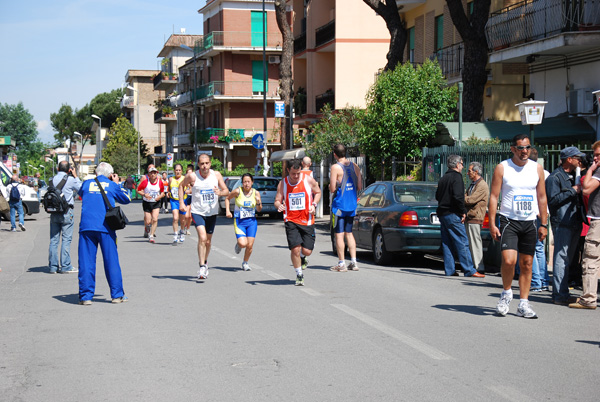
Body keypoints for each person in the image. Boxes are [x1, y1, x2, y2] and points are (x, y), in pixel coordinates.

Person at [489, 134, 548, 319]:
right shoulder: (503, 167)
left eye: (528, 147)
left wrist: (544, 224)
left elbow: (542, 197)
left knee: (527, 263)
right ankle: (506, 293)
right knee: (509, 261)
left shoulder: (536, 168)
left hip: (530, 221)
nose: (525, 151)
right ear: (513, 149)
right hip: (509, 220)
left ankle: (523, 303)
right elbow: (493, 197)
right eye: (521, 148)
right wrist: (492, 223)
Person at [77, 162, 131, 305]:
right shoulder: (112, 185)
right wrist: (117, 183)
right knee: (111, 260)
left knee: (86, 261)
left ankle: (86, 297)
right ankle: (116, 295)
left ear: (96, 173)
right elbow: (127, 199)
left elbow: (81, 194)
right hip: (106, 227)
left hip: (87, 227)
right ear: (110, 174)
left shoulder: (86, 184)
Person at [545, 146, 585, 305]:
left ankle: (563, 292)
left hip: (574, 221)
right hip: (562, 222)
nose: (580, 161)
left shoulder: (574, 174)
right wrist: (573, 191)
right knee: (561, 258)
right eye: (577, 158)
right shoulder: (555, 177)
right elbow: (553, 201)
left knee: (567, 259)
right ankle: (559, 295)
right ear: (569, 159)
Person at [179, 154, 229, 280]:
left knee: (208, 241)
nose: (204, 166)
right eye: (202, 163)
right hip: (197, 211)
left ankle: (205, 262)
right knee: (202, 237)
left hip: (211, 212)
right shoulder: (192, 176)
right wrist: (181, 203)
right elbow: (181, 186)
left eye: (206, 163)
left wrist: (220, 193)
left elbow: (226, 191)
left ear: (210, 163)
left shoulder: (216, 175)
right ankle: (201, 266)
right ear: (198, 164)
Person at [435, 155, 485, 278]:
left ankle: (450, 269)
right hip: (453, 213)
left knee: (447, 243)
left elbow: (437, 196)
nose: (463, 166)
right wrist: (463, 211)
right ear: (457, 165)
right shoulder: (456, 177)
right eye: (462, 164)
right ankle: (469, 270)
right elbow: (458, 197)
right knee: (462, 241)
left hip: (443, 214)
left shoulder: (443, 178)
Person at [275, 158, 322, 286]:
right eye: (293, 174)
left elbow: (318, 192)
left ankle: (303, 257)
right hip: (290, 220)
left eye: (298, 173)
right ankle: (299, 274)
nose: (296, 176)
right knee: (295, 249)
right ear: (288, 170)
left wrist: (314, 204)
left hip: (307, 220)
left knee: (307, 251)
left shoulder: (308, 180)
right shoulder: (283, 184)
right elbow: (277, 200)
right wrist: (279, 205)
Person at [569, 140, 600, 309]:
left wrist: (590, 170)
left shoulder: (598, 170)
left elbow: (586, 188)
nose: (595, 159)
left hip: (598, 220)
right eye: (594, 155)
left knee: (590, 259)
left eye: (598, 155)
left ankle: (588, 298)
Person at [329, 143, 362, 272]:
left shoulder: (335, 167)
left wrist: (337, 184)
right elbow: (359, 186)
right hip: (352, 205)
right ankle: (354, 262)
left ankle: (342, 263)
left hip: (339, 206)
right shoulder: (355, 166)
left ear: (335, 154)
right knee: (349, 233)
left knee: (339, 234)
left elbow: (332, 188)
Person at [48, 161, 82, 274]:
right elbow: (81, 189)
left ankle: (53, 267)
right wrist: (75, 175)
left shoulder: (51, 180)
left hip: (54, 212)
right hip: (67, 212)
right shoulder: (71, 180)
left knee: (54, 240)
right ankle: (65, 266)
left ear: (58, 168)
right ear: (69, 170)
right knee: (66, 240)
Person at [225, 173, 262, 271]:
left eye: (248, 182)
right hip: (239, 222)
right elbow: (227, 198)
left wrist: (258, 202)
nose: (246, 184)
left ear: (252, 182)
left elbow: (259, 209)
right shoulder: (238, 191)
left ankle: (245, 262)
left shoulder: (256, 193)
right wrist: (228, 211)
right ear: (242, 183)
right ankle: (239, 245)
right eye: (244, 182)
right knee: (243, 243)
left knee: (250, 245)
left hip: (251, 222)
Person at [528, 147, 551, 292]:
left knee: (532, 248)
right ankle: (543, 280)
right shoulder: (546, 173)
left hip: (533, 213)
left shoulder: (530, 172)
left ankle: (536, 281)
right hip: (543, 213)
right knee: (540, 248)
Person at [464, 161, 489, 273]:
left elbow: (471, 199)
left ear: (476, 171)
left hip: (475, 217)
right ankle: (474, 265)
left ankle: (479, 266)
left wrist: (461, 199)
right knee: (470, 242)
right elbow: (466, 196)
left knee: (475, 242)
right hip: (470, 217)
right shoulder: (472, 184)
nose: (468, 173)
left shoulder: (482, 185)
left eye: (469, 171)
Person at [137, 166, 165, 243]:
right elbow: (138, 190)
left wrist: (159, 197)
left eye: (154, 173)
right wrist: (144, 194)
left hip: (156, 202)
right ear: (148, 174)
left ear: (157, 174)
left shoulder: (159, 182)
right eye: (151, 173)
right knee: (148, 221)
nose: (153, 174)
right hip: (147, 202)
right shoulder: (145, 182)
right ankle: (147, 227)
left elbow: (163, 193)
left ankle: (151, 235)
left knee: (155, 219)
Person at [168, 164, 187, 243]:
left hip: (183, 201)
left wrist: (188, 191)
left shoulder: (185, 178)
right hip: (174, 201)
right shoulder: (171, 179)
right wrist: (168, 193)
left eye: (179, 170)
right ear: (174, 171)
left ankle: (182, 232)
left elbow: (190, 187)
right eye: (176, 170)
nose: (178, 172)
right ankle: (175, 235)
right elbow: (169, 189)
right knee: (175, 218)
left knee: (182, 220)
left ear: (182, 171)